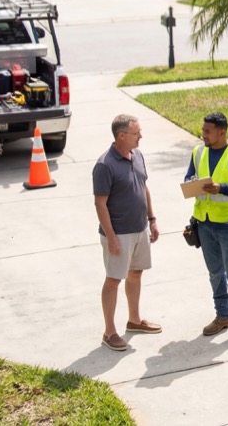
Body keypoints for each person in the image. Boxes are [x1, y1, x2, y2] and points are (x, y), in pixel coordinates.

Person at [185, 112, 228, 345]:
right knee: (215, 272)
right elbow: (188, 178)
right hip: (204, 223)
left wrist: (221, 188)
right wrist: (192, 185)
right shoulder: (198, 152)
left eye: (207, 131)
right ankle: (223, 316)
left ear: (222, 132)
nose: (203, 134)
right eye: (203, 130)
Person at [93, 114, 161, 351]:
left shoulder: (138, 155)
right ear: (122, 135)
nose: (140, 136)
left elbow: (144, 186)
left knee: (136, 273)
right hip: (119, 233)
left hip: (140, 227)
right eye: (136, 133)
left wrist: (151, 219)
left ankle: (134, 320)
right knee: (113, 280)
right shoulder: (104, 165)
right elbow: (100, 204)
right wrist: (111, 237)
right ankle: (109, 332)